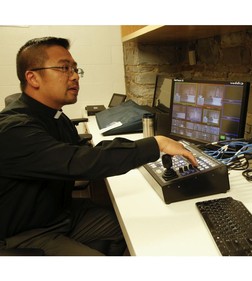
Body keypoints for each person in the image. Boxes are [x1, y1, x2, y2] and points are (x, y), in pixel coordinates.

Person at [0, 37, 197, 256]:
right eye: (64, 68)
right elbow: (77, 162)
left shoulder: (55, 116)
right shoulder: (14, 129)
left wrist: (141, 147)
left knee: (134, 227)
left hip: (60, 214)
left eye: (75, 69)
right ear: (33, 77)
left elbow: (84, 152)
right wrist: (155, 144)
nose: (74, 76)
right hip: (26, 234)